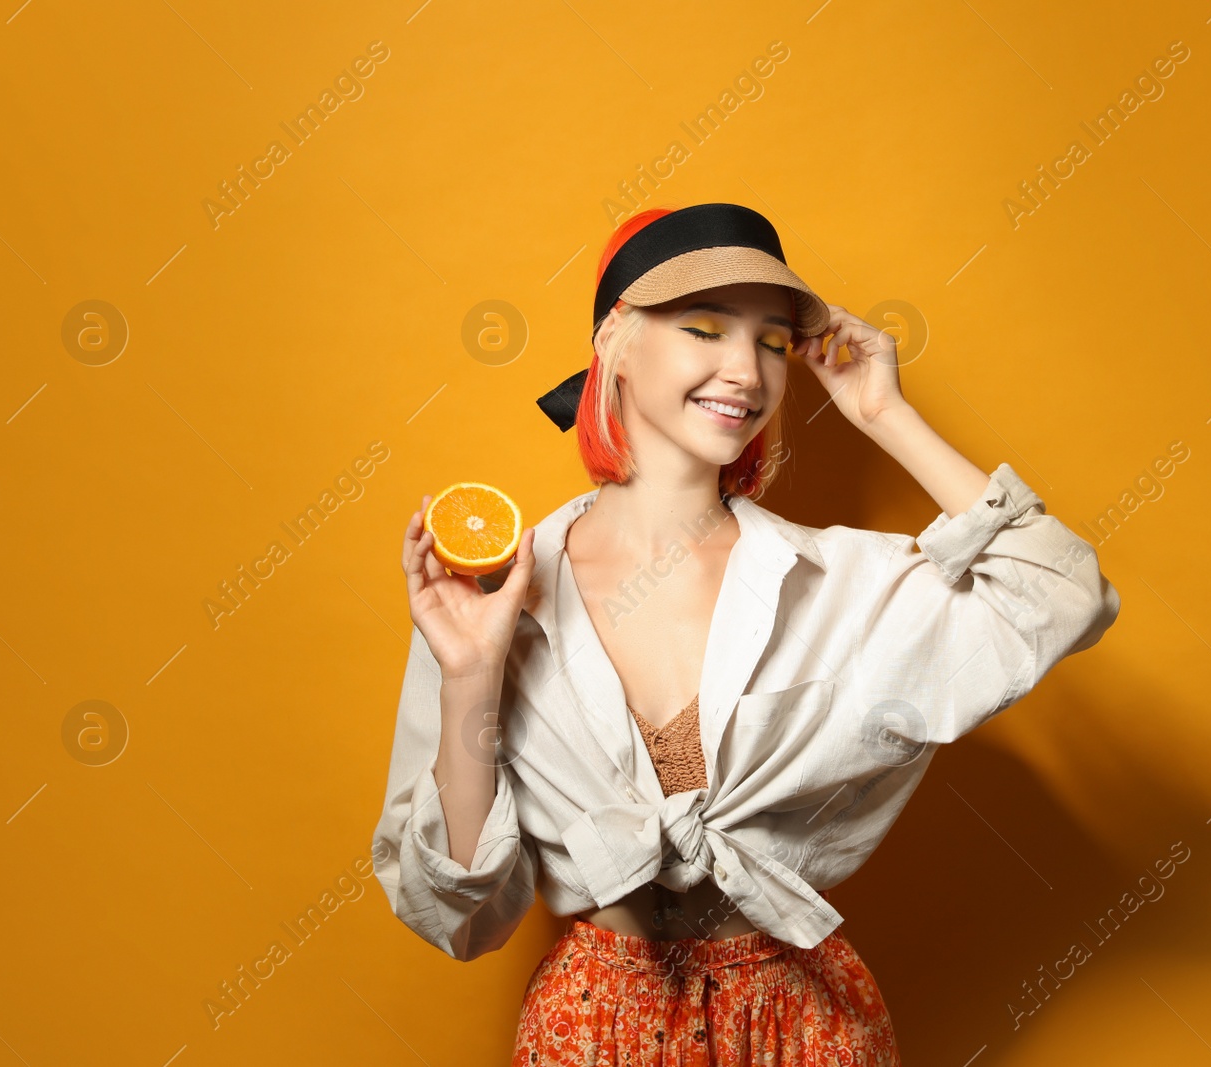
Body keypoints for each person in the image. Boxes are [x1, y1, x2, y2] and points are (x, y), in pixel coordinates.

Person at [372, 202, 1121, 1064]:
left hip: (801, 1023)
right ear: (615, 342)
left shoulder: (840, 583)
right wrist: (469, 674)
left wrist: (883, 415)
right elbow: (459, 912)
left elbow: (1062, 594)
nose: (746, 369)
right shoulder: (494, 593)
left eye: (772, 341)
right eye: (703, 327)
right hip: (594, 1028)